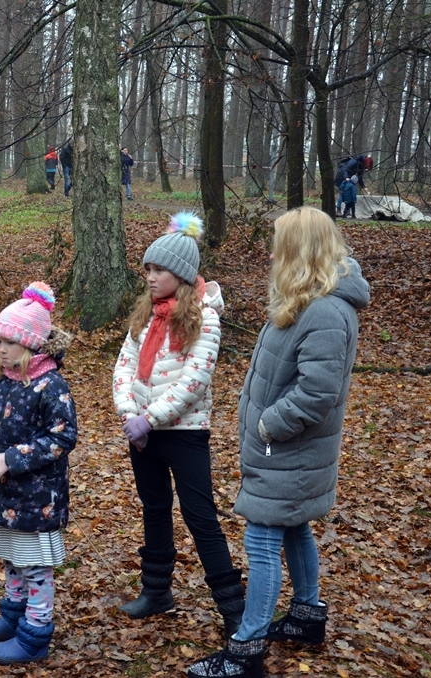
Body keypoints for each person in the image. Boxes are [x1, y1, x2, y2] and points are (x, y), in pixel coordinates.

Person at [187, 207, 370, 678]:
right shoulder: (306, 299)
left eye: (278, 244)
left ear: (300, 251)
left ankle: (246, 649)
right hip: (286, 454)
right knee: (293, 527)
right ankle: (307, 615)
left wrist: (268, 424)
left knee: (263, 537)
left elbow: (317, 394)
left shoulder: (327, 310)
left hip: (289, 450)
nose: (270, 253)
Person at [113, 212, 246, 640]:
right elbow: (124, 366)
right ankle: (156, 592)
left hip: (185, 434)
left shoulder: (205, 318)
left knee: (200, 515)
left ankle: (234, 611)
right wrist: (128, 413)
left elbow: (194, 381)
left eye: (159, 270)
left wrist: (148, 419)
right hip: (143, 435)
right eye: (148, 269)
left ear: (182, 275)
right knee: (154, 510)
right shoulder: (146, 317)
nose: (150, 278)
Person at [0, 282, 78, 665]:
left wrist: (13, 458)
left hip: (35, 500)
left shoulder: (51, 386)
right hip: (2, 495)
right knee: (13, 559)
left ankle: (35, 634)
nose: (0, 349)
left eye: (8, 343)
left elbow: (62, 436)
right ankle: (13, 617)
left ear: (30, 345)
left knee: (34, 568)